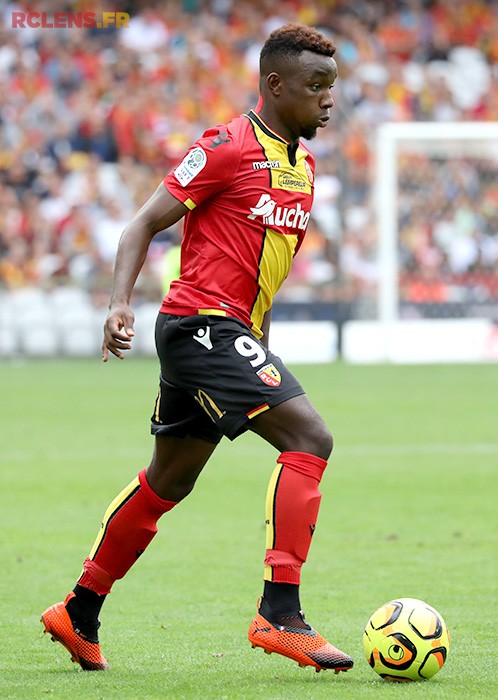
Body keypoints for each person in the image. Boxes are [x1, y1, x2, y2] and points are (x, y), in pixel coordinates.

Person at [41, 23, 354, 675]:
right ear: (275, 85)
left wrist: (259, 345)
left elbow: (262, 270)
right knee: (311, 439)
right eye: (316, 85)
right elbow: (141, 224)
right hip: (200, 326)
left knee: (168, 480)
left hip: (229, 334)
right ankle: (280, 613)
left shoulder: (304, 168)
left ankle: (79, 610)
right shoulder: (226, 146)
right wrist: (120, 303)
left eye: (333, 86)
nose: (329, 99)